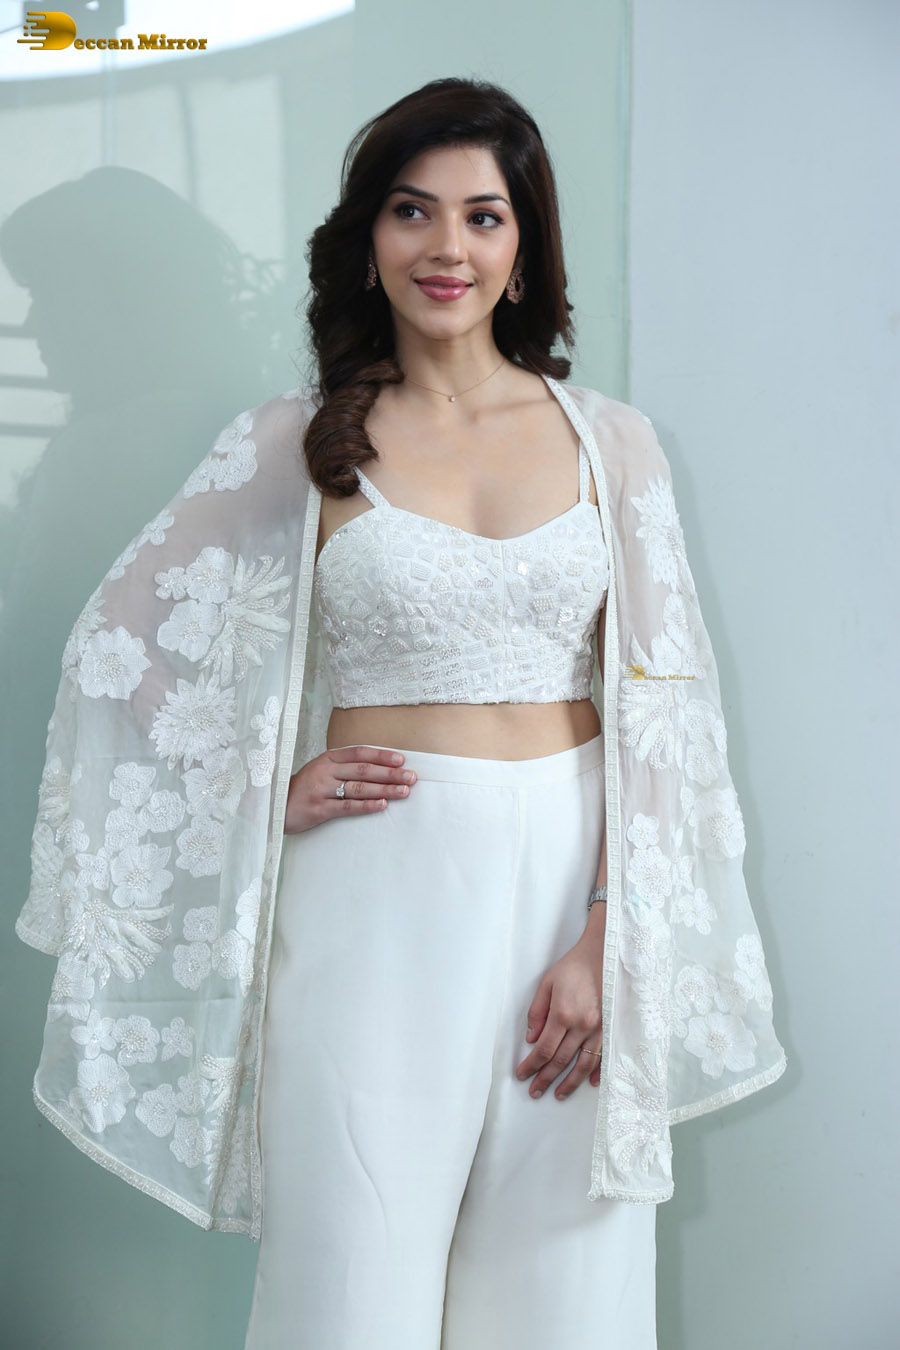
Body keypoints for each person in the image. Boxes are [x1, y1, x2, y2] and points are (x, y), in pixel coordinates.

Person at [15, 77, 786, 1350]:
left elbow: (666, 711)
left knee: (569, 1292)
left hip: (576, 890)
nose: (447, 248)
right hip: (374, 890)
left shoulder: (613, 443)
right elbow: (115, 647)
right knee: (351, 1284)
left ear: (524, 245)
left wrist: (613, 931)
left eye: (484, 217)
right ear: (368, 237)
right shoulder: (302, 440)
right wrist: (259, 791)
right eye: (411, 211)